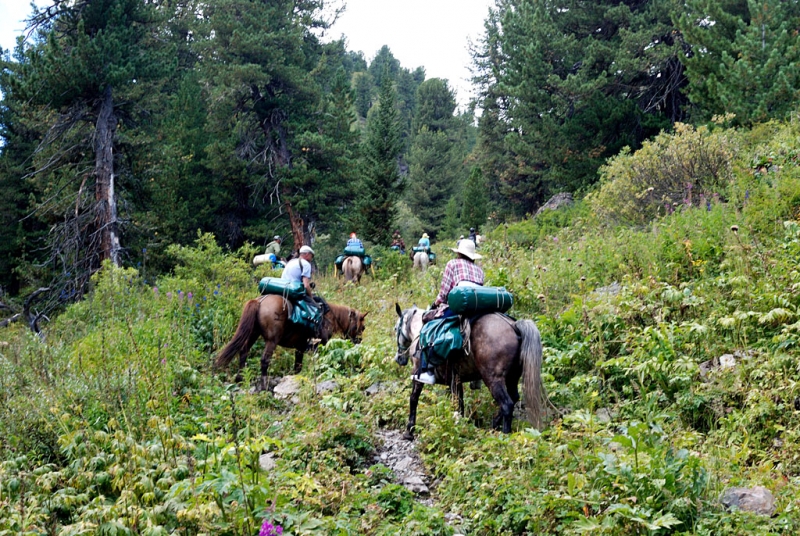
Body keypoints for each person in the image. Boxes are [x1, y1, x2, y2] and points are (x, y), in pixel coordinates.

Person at [413, 239, 485, 385]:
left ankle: (428, 370)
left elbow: (444, 293)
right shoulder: (479, 270)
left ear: (459, 253)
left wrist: (436, 304)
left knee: (430, 327)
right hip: (477, 308)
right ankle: (477, 377)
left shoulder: (452, 264)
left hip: (459, 306)